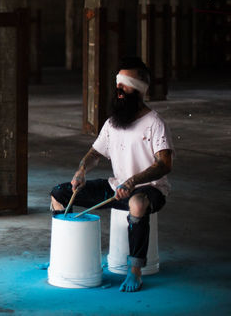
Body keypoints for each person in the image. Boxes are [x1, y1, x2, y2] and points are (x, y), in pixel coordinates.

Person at [50, 56, 174, 293]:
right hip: (117, 187)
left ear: (138, 88)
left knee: (137, 202)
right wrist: (82, 170)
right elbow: (95, 153)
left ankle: (135, 270)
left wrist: (134, 181)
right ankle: (61, 255)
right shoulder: (113, 123)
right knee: (60, 193)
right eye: (117, 83)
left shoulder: (155, 123)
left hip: (150, 190)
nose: (118, 88)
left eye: (124, 84)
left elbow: (164, 164)